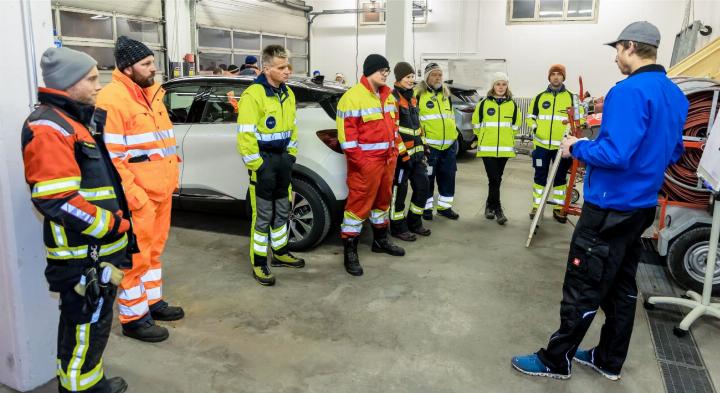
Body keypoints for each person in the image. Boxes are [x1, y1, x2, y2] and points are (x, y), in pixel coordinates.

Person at [511, 21, 688, 381]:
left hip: (608, 207)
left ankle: (556, 360)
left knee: (583, 284)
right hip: (640, 207)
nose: (616, 60)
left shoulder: (628, 91)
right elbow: (674, 153)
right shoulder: (675, 94)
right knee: (621, 287)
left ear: (629, 47)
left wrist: (577, 146)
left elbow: (616, 153)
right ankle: (608, 359)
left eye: (617, 52)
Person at [22, 47, 136, 393]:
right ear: (68, 82)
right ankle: (80, 389)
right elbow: (55, 198)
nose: (97, 85)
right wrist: (110, 225)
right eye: (90, 79)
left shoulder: (74, 120)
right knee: (85, 325)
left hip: (94, 250)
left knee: (90, 325)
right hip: (82, 253)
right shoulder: (49, 127)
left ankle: (89, 382)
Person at [96, 36, 185, 343]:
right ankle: (133, 319)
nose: (153, 68)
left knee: (154, 252)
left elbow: (157, 144)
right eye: (146, 64)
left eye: (152, 62)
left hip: (161, 191)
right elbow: (112, 158)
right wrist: (135, 197)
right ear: (127, 67)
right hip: (139, 197)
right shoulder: (111, 99)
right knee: (135, 259)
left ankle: (152, 302)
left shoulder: (152, 94)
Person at [236, 45, 304, 286]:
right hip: (263, 163)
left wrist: (291, 155)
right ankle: (259, 262)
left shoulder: (288, 93)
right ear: (267, 69)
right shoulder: (253, 95)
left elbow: (293, 128)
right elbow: (245, 135)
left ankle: (281, 252)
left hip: (283, 161)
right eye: (281, 67)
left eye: (288, 66)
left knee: (283, 209)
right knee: (263, 216)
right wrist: (258, 165)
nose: (287, 71)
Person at [337, 54, 408, 276]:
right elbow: (347, 139)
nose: (385, 73)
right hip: (365, 165)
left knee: (383, 203)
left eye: (387, 70)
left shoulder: (388, 96)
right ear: (369, 71)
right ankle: (350, 251)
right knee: (357, 208)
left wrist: (395, 152)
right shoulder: (352, 98)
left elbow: (394, 128)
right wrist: (362, 163)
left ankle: (380, 241)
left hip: (387, 161)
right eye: (381, 70)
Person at [526, 64, 578, 224]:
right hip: (541, 147)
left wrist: (571, 134)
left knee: (560, 178)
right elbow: (530, 117)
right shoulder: (539, 97)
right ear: (549, 77)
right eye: (553, 74)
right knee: (539, 176)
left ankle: (558, 208)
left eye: (559, 74)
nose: (556, 77)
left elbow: (579, 119)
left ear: (563, 77)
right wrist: (535, 130)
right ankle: (537, 206)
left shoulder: (571, 98)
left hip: (562, 149)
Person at [471, 72, 521, 225]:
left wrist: (508, 138)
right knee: (494, 178)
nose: (501, 87)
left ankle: (489, 206)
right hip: (487, 148)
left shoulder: (512, 105)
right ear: (493, 86)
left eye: (504, 84)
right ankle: (498, 208)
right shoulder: (483, 104)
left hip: (505, 149)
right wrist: (483, 137)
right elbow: (476, 124)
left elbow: (515, 126)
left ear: (507, 86)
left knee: (496, 180)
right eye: (498, 84)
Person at [390, 61, 432, 241]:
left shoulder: (412, 98)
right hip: (402, 158)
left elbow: (417, 128)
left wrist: (424, 147)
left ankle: (415, 222)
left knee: (423, 188)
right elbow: (393, 131)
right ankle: (398, 228)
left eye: (413, 77)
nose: (411, 80)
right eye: (408, 77)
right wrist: (402, 154)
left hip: (417, 155)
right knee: (399, 193)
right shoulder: (393, 99)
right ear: (399, 78)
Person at [416, 63, 460, 220]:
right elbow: (416, 121)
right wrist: (422, 142)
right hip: (430, 147)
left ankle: (444, 207)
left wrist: (454, 138)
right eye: (434, 74)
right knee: (428, 178)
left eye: (440, 74)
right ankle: (426, 209)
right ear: (427, 77)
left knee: (448, 177)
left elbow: (450, 118)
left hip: (449, 146)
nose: (438, 77)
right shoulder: (419, 95)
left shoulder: (446, 95)